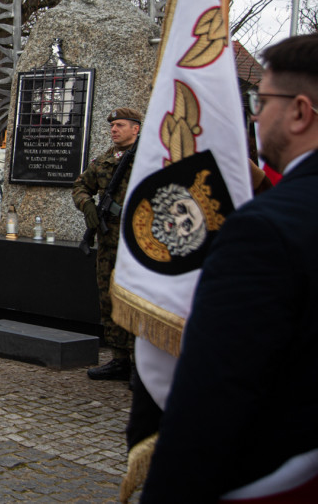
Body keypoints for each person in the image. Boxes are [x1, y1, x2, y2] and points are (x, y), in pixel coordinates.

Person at [142, 35, 318, 501]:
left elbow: (213, 395)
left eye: (263, 101)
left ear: (300, 112)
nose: (255, 117)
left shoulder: (263, 230)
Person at [72, 107, 142, 381]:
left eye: (120, 125)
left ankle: (140, 364)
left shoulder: (148, 158)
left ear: (136, 128)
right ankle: (119, 358)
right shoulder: (103, 161)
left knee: (136, 302)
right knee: (108, 299)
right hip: (109, 243)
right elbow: (80, 186)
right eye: (112, 126)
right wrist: (87, 205)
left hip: (138, 246)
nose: (114, 130)